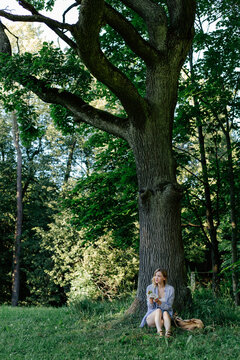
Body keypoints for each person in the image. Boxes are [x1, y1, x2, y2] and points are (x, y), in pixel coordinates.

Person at [140, 268, 174, 337]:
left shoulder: (170, 289)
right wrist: (150, 301)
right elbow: (150, 307)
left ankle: (168, 332)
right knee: (158, 310)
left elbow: (169, 306)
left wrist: (159, 302)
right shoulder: (150, 288)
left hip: (164, 318)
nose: (156, 278)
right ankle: (159, 331)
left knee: (165, 312)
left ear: (164, 278)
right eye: (155, 275)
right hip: (152, 316)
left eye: (159, 276)